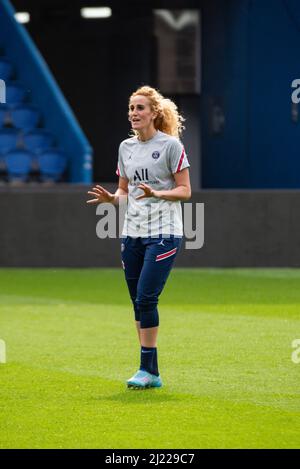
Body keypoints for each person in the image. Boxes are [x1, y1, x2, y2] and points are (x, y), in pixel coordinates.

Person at [87, 86, 191, 389]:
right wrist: (112, 198)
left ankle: (147, 370)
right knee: (137, 302)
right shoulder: (125, 147)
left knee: (147, 297)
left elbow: (185, 191)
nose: (134, 113)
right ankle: (150, 372)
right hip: (132, 232)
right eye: (131, 108)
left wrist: (157, 192)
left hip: (164, 232)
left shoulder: (171, 146)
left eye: (140, 108)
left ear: (153, 113)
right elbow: (124, 191)